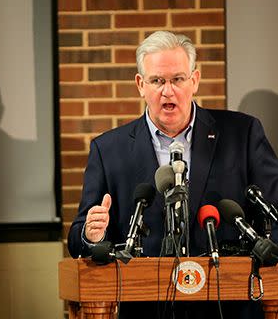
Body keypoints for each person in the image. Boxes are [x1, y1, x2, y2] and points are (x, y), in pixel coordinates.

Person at [67, 30, 278, 319]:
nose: (168, 91)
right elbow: (78, 238)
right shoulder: (108, 150)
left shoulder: (242, 135)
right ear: (141, 85)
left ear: (195, 80)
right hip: (149, 309)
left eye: (177, 79)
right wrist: (92, 235)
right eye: (157, 81)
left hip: (233, 306)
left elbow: (275, 216)